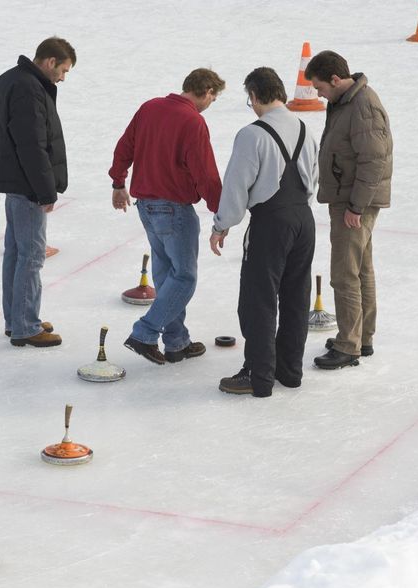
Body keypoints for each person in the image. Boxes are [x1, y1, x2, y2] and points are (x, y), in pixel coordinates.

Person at [210, 67, 319, 397]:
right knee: (295, 298)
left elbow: (237, 184)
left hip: (271, 222)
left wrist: (222, 224)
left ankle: (258, 376)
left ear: (254, 96)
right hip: (304, 219)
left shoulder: (252, 134)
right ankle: (290, 371)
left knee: (257, 300)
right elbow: (313, 177)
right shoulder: (304, 128)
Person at [109, 68, 224, 365]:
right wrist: (221, 210)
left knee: (167, 277)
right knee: (184, 278)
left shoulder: (150, 108)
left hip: (146, 208)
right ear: (208, 91)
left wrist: (119, 183)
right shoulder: (193, 121)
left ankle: (176, 342)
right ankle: (145, 332)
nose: (211, 104)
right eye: (214, 97)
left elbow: (125, 147)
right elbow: (205, 173)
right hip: (174, 210)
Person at [0, 37, 76, 348]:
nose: (63, 77)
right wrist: (45, 191)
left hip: (14, 181)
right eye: (63, 70)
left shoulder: (11, 78)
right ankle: (25, 324)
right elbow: (31, 145)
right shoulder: (28, 88)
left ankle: (17, 318)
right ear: (49, 62)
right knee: (31, 255)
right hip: (26, 186)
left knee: (16, 252)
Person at [305, 51, 393, 370]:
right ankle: (361, 336)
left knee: (344, 273)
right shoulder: (346, 101)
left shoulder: (362, 105)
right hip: (351, 197)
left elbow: (374, 159)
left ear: (336, 80)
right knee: (361, 270)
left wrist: (356, 205)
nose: (318, 94)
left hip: (355, 201)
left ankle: (348, 346)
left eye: (320, 88)